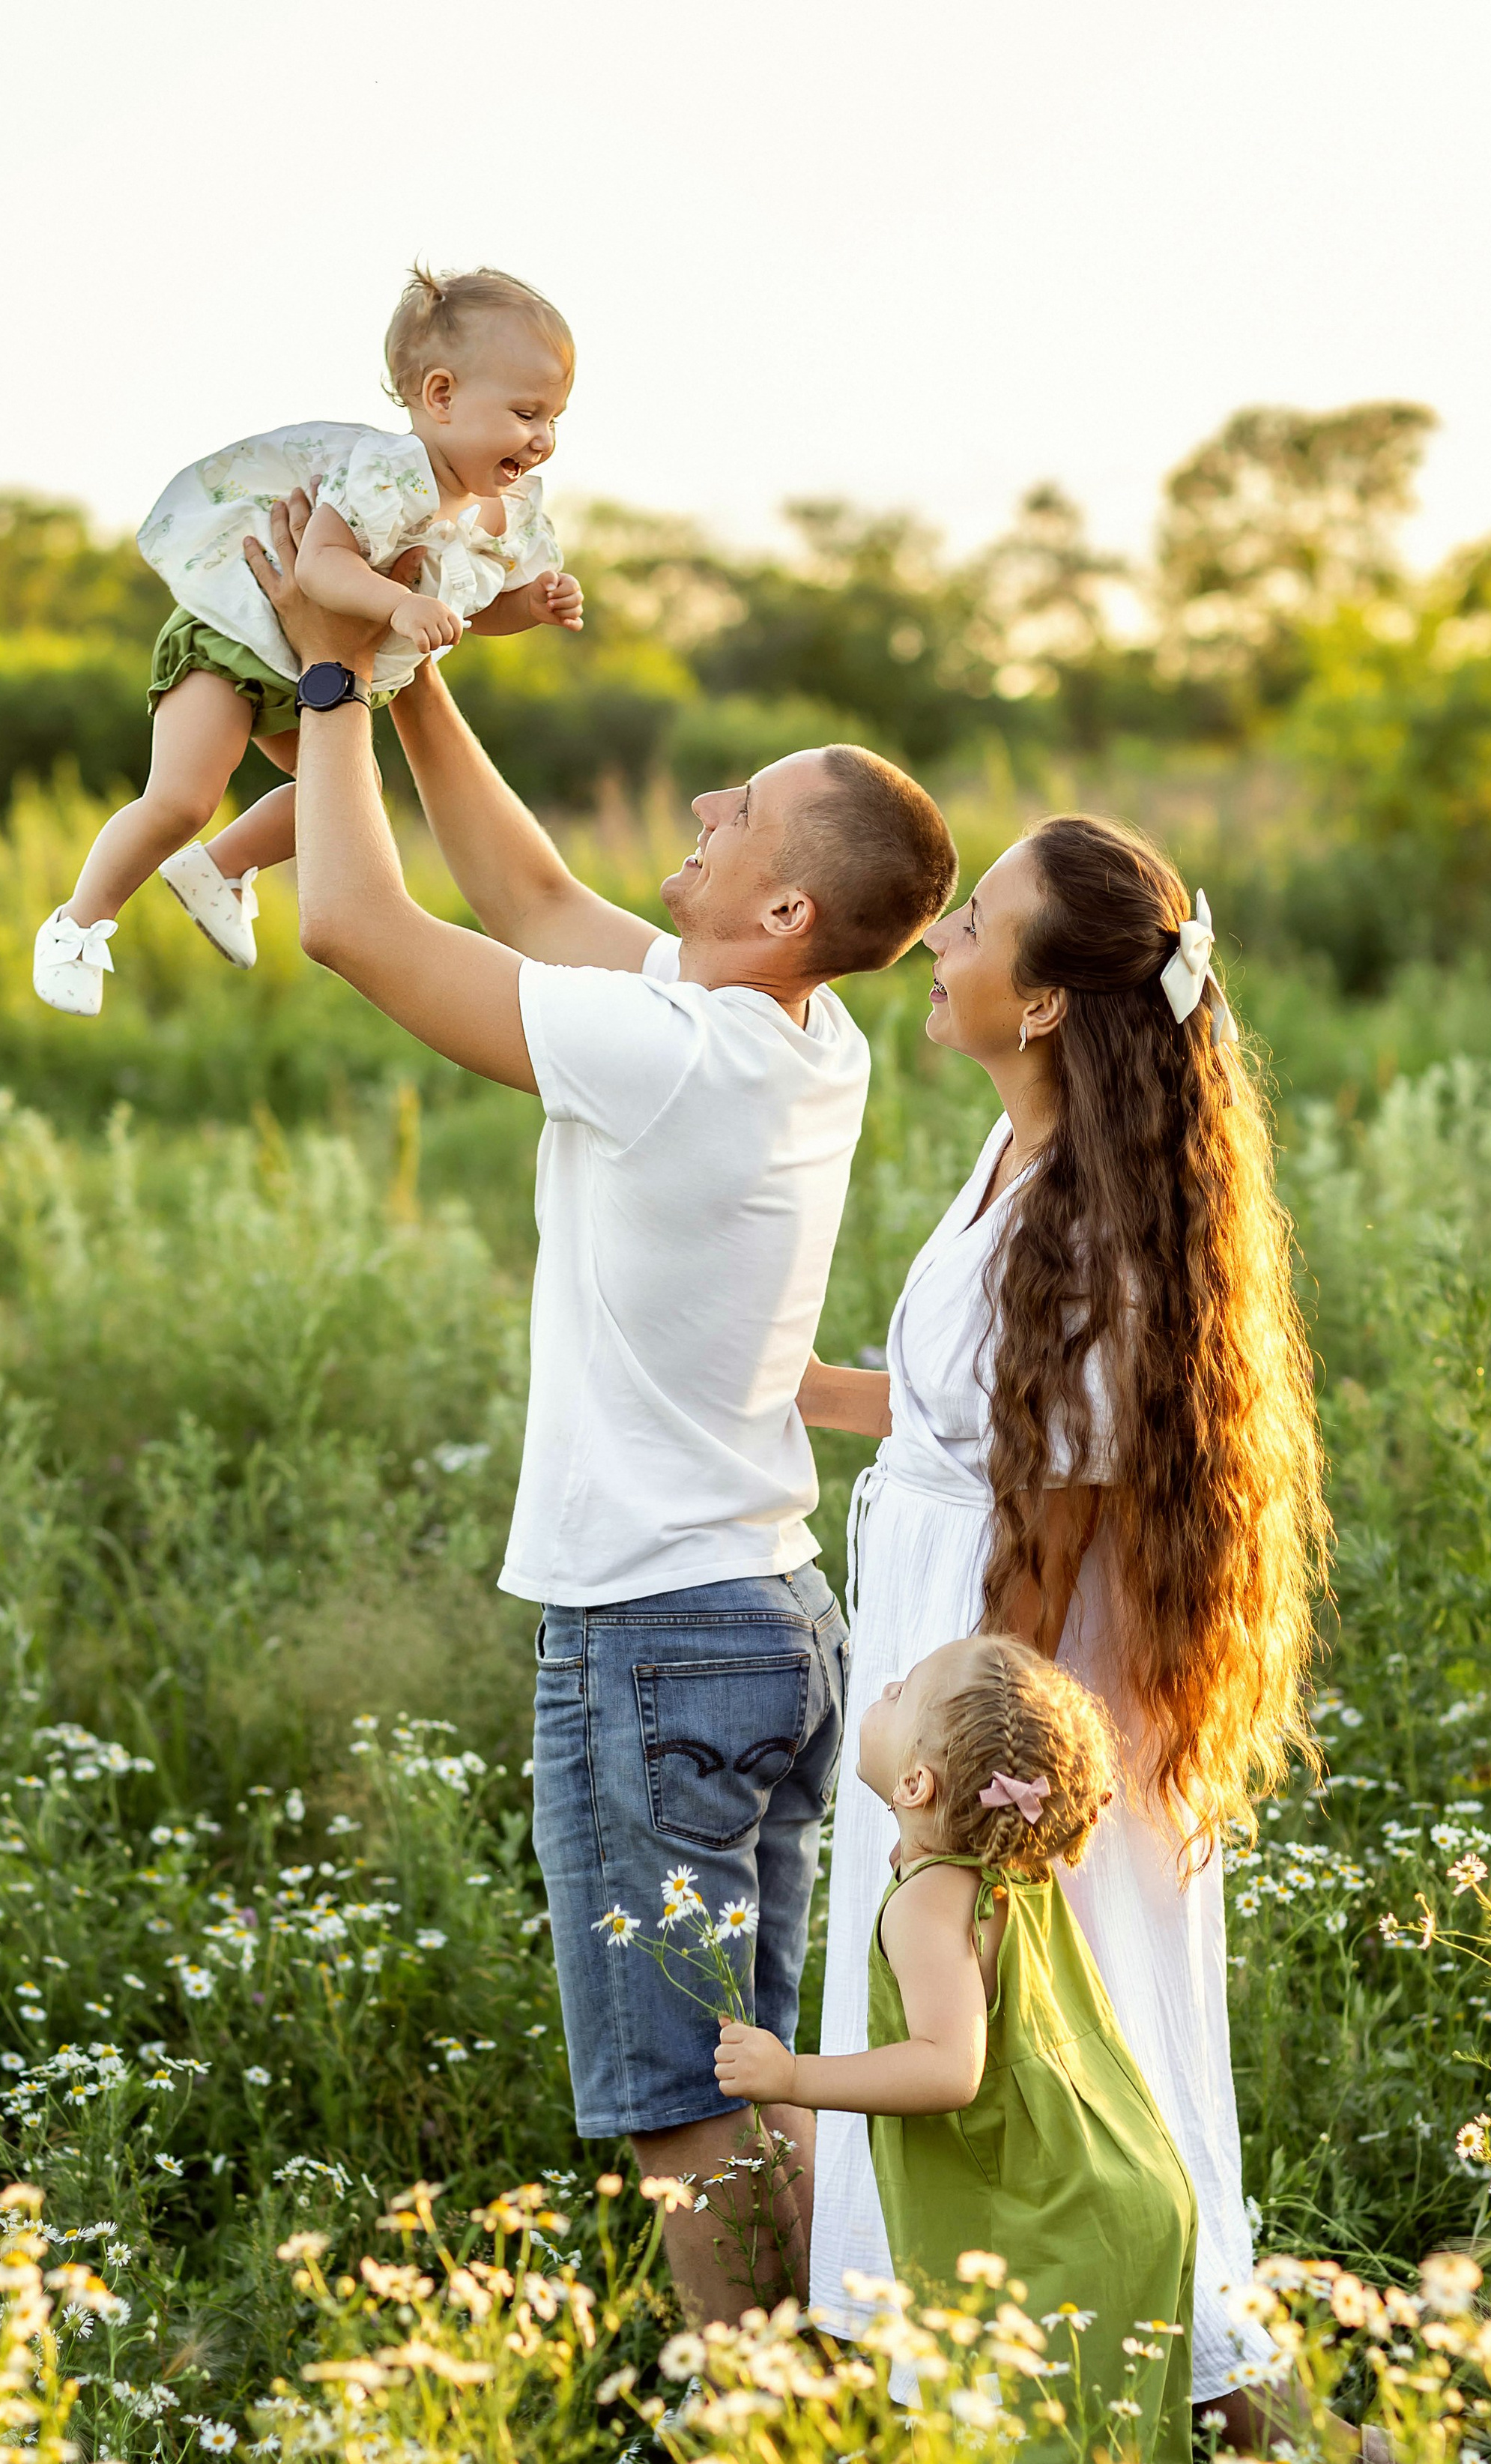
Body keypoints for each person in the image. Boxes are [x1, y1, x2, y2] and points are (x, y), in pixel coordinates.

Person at [243, 492, 958, 2323]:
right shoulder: (806, 1032)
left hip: (651, 1639)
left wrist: (322, 663)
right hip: (765, 1624)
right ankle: (801, 2427)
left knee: (681, 2115)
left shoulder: (671, 1054)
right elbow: (538, 902)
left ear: (783, 903)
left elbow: (351, 924)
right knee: (753, 2075)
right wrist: (409, 684)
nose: (701, 814)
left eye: (735, 813)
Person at [801, 815, 1330, 2454]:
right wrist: (781, 1390)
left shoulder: (1096, 1224)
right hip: (951, 1648)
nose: (941, 941)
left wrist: (971, 1806)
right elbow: (974, 1413)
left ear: (1040, 1003)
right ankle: (1001, 2400)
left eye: (976, 922)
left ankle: (1243, 2428)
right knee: (1007, 2039)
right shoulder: (1011, 1153)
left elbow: (1062, 1515)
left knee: (1072, 2038)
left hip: (1022, 1702)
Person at [32, 266, 584, 1015]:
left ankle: (220, 871)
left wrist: (532, 604)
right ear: (442, 396)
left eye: (554, 418)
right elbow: (322, 565)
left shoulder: (504, 516)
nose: (542, 439)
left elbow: (473, 610)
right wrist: (394, 606)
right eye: (526, 413)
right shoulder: (387, 477)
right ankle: (77, 925)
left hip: (309, 668)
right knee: (183, 798)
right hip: (236, 640)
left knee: (338, 798)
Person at [714, 1634, 1197, 2464]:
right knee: (1105, 2450)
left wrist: (791, 2077)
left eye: (898, 1692)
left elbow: (948, 2066)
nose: (886, 1685)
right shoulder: (1008, 1870)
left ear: (914, 1784)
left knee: (1037, 2456)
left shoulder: (926, 1905)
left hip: (1057, 2214)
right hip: (1112, 2182)